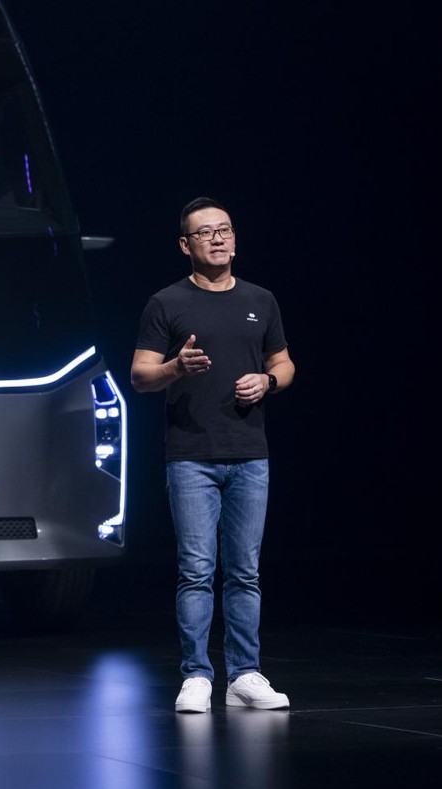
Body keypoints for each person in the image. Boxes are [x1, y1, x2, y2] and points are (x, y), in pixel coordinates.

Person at [129, 196, 295, 713]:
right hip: (191, 456)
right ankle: (197, 675)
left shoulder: (261, 299)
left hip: (249, 453)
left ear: (235, 239)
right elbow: (140, 376)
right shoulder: (166, 303)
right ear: (186, 245)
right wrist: (176, 368)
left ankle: (244, 675)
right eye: (205, 233)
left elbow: (285, 363)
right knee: (197, 569)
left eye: (225, 229)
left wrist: (267, 381)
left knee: (244, 571)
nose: (218, 238)